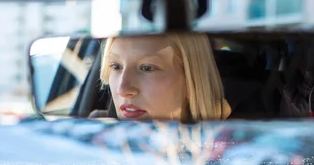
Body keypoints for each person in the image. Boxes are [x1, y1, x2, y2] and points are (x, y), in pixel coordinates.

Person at [90, 33, 231, 122]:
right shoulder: (91, 137)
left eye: (147, 68)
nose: (122, 89)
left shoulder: (226, 150)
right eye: (116, 66)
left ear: (191, 80)